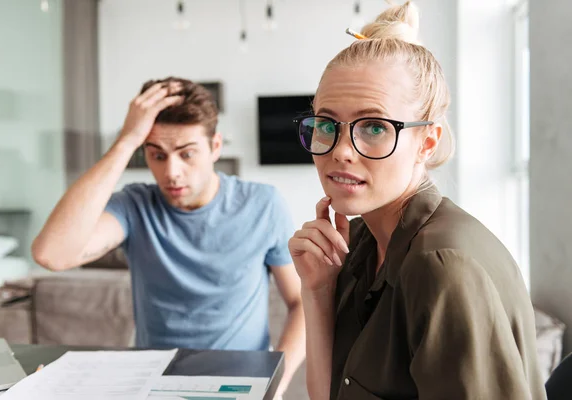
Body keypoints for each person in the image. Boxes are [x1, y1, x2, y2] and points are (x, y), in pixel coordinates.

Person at [288, 2, 546, 400]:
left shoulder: (441, 267)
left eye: (373, 126)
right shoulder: (360, 240)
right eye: (327, 124)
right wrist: (318, 292)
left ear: (427, 142)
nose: (340, 150)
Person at [32, 77, 305, 396]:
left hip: (240, 384)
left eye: (186, 154)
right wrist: (125, 141)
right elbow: (52, 254)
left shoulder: (262, 204)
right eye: (157, 155)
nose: (171, 172)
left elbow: (301, 303)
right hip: (156, 385)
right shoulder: (134, 206)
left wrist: (276, 385)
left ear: (215, 147)